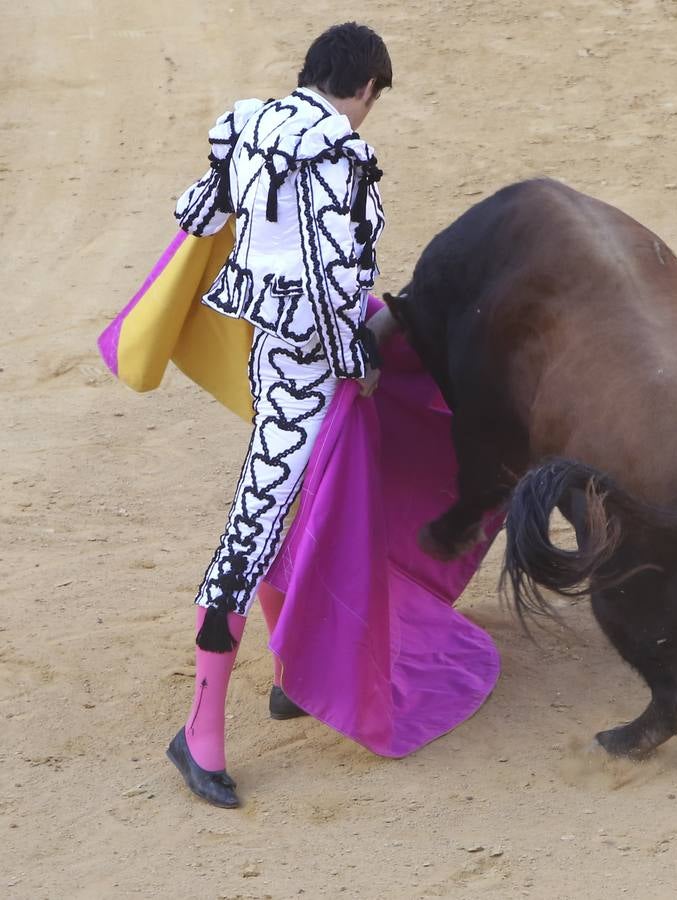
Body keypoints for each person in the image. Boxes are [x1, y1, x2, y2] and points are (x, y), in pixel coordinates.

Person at [165, 22, 400, 808]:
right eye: (372, 98)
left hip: (267, 352)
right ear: (364, 87)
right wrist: (358, 362)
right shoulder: (337, 149)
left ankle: (295, 674)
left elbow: (197, 214)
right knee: (256, 526)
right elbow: (333, 277)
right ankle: (198, 732)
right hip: (310, 367)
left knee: (293, 504)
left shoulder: (247, 125)